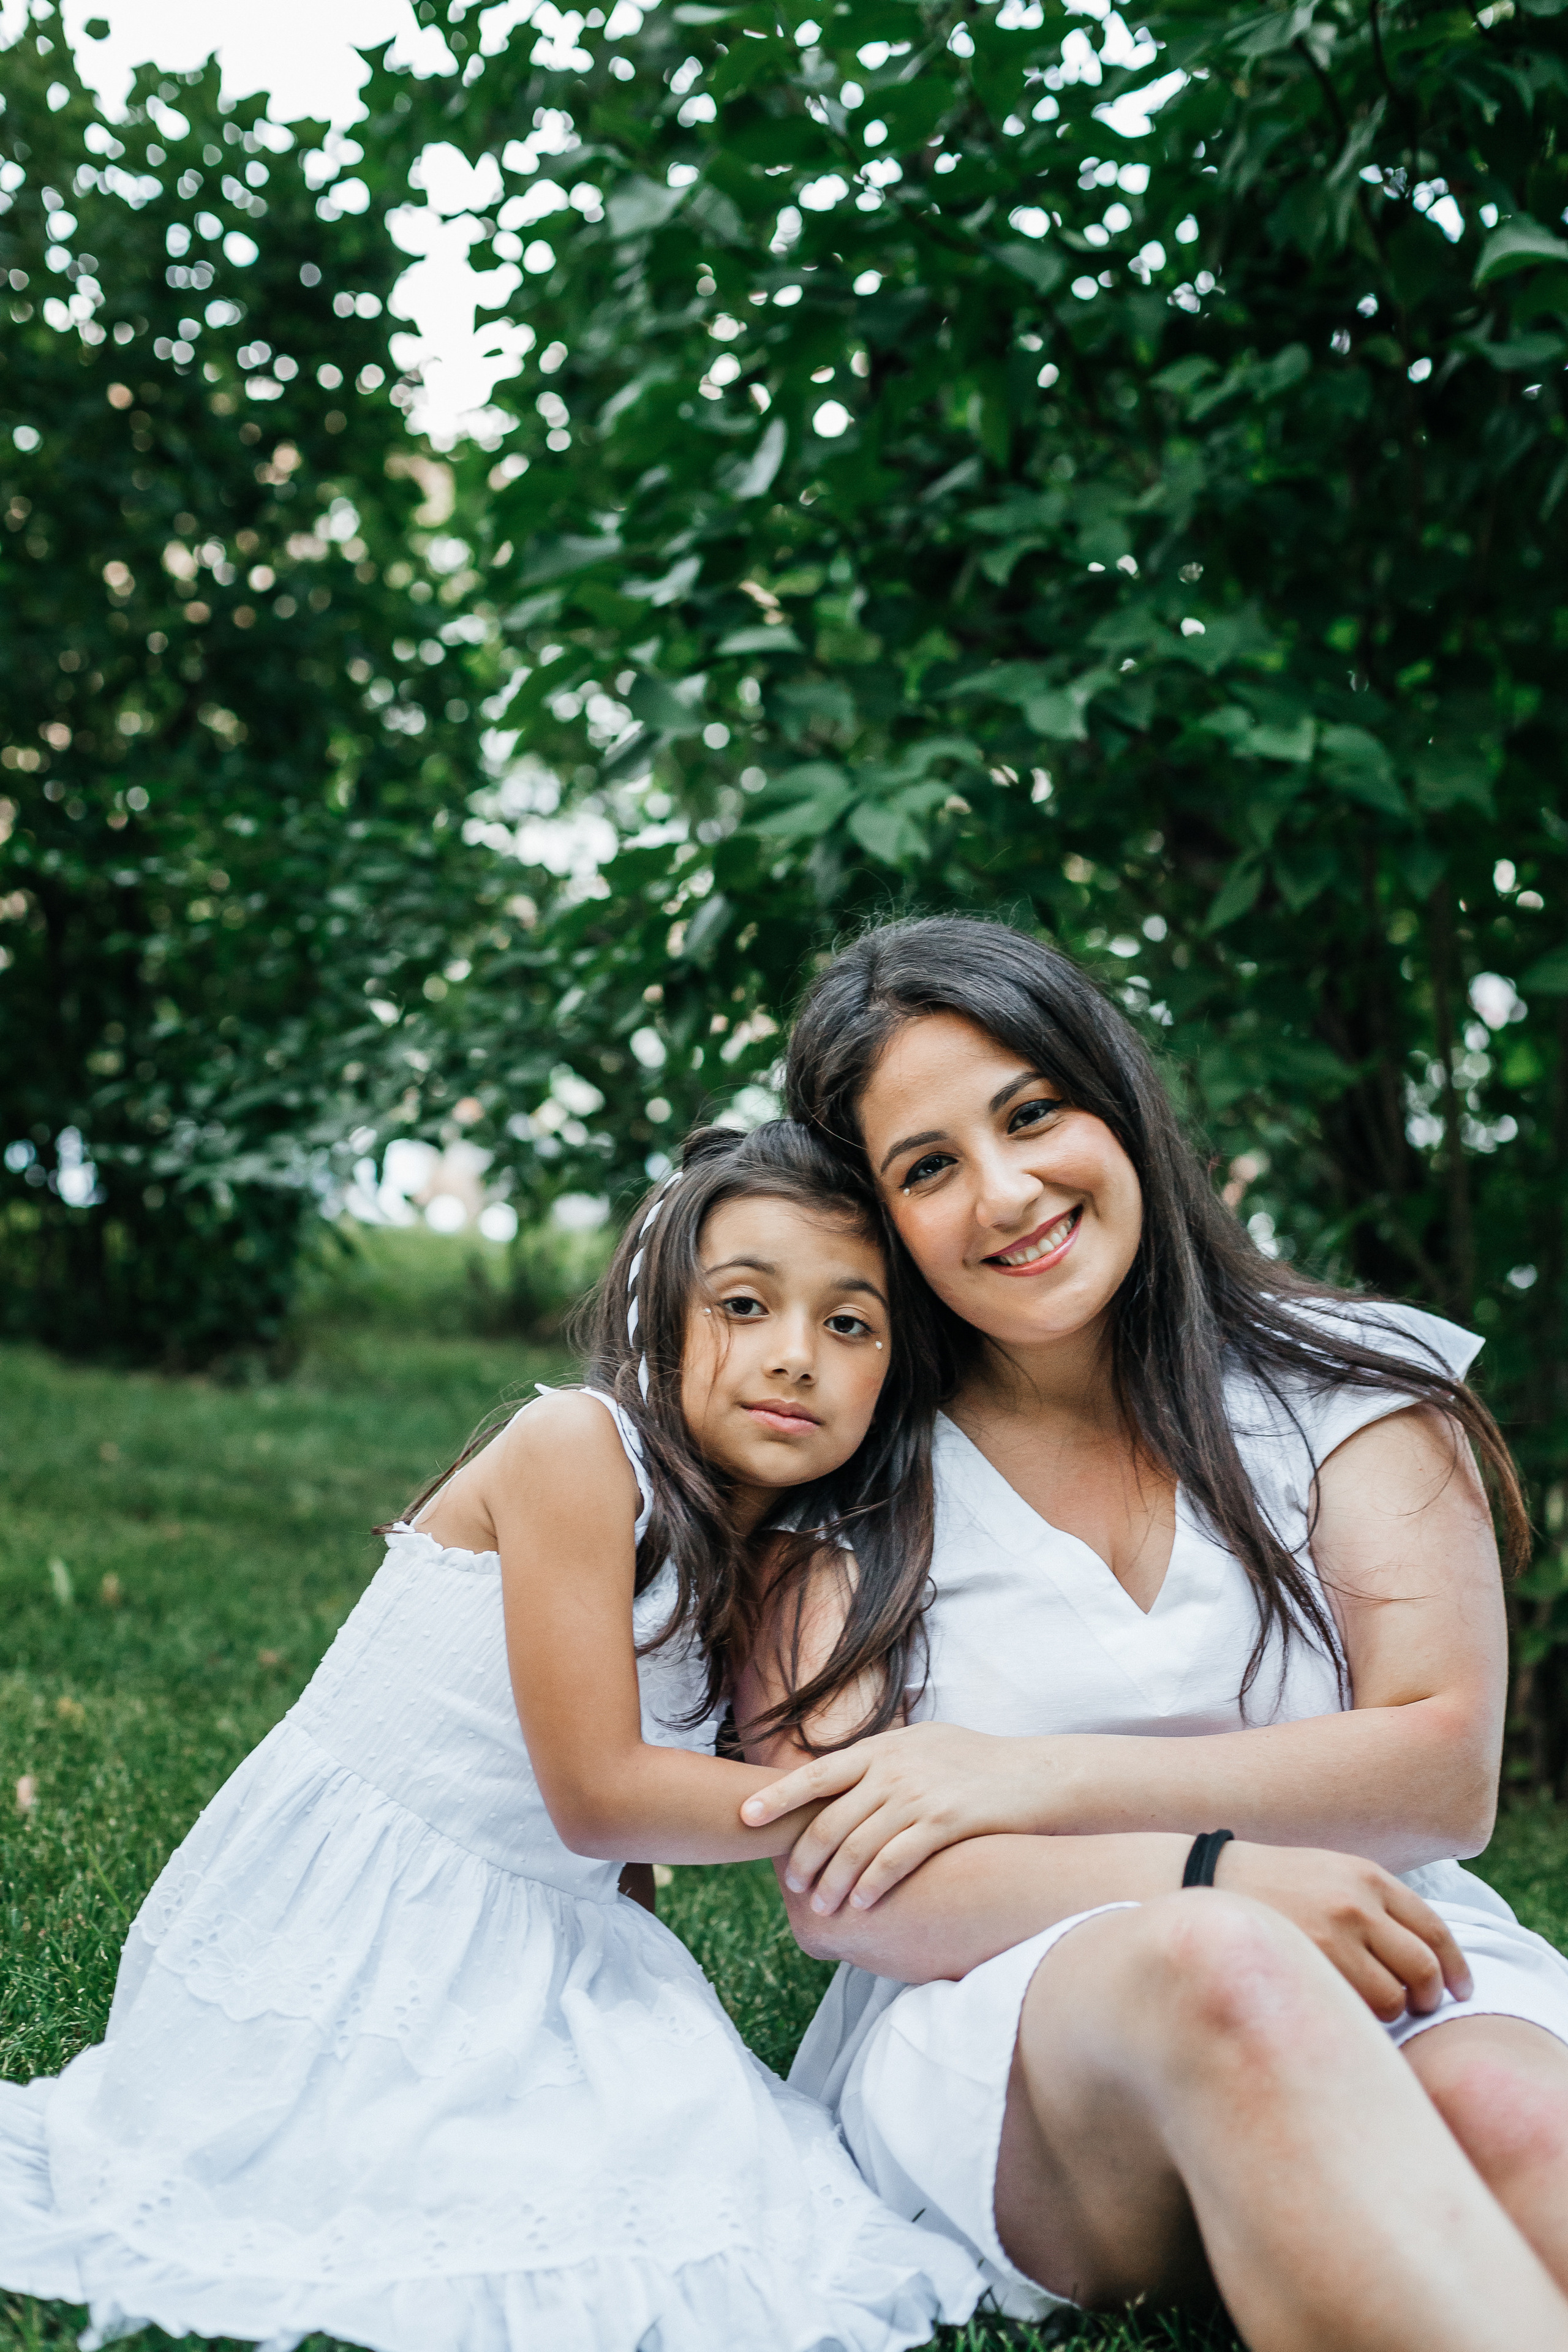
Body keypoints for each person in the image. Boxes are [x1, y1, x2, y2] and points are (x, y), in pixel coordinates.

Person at [0, 1121, 981, 2352]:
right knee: (443, 2203)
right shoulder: (573, 1448)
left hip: (545, 1928)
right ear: (663, 1321)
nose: (795, 1359)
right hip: (366, 1918)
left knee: (706, 2181)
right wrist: (881, 1791)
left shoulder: (769, 1552)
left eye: (849, 1325)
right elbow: (600, 1795)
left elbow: (612, 1862)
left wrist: (632, 1992)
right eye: (743, 1305)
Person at [737, 915, 1568, 2352]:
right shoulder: (851, 1478)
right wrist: (1211, 1878)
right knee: (1218, 1968)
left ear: (1110, 1097)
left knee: (1510, 2112)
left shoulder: (1352, 1391)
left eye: (1030, 1113)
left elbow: (1438, 1772)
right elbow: (843, 1891)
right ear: (877, 1219)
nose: (1005, 1194)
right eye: (928, 1168)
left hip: (1391, 1948)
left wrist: (1028, 1778)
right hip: (1021, 2036)